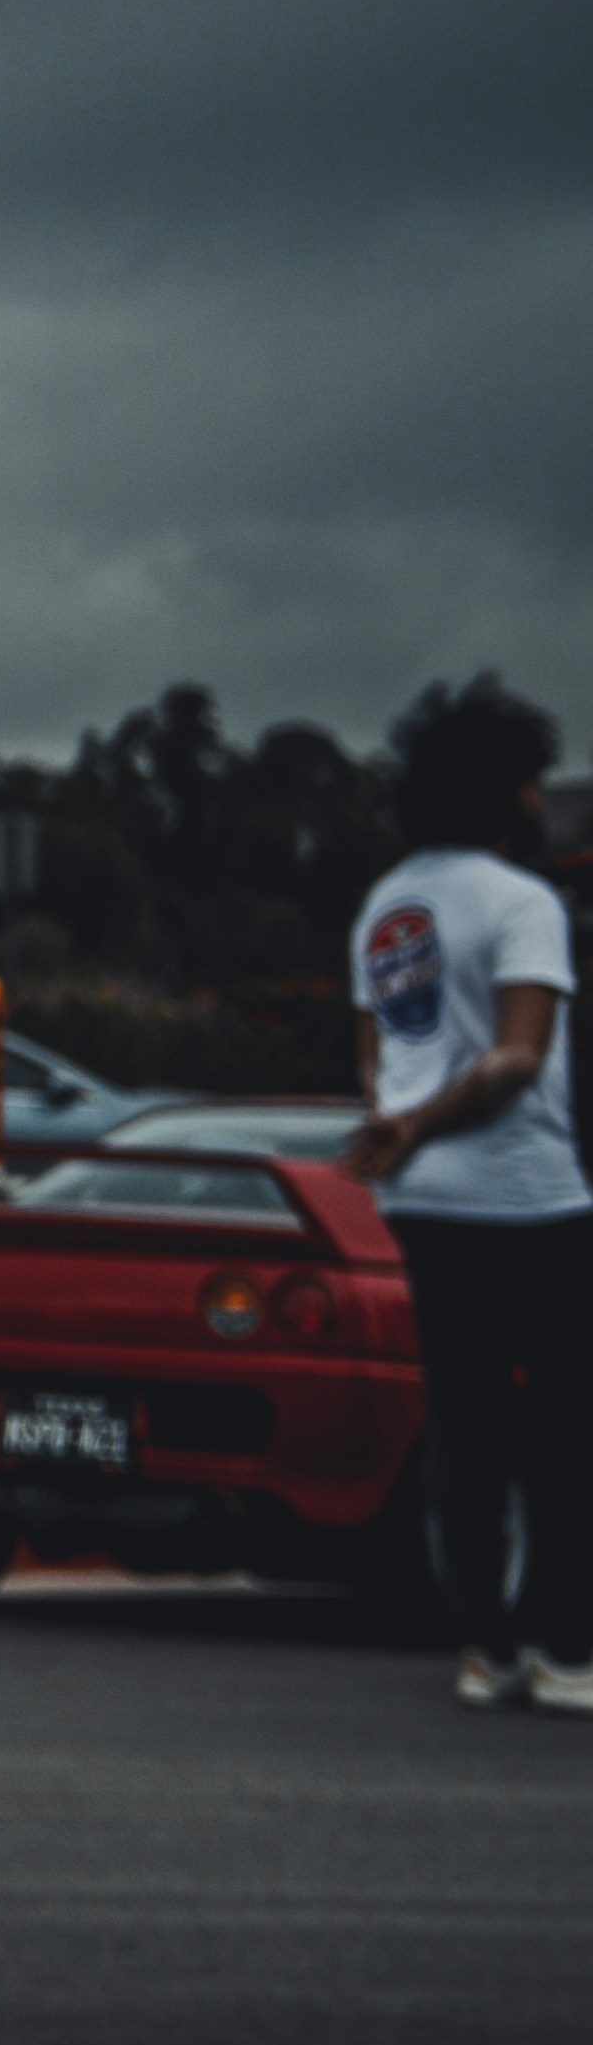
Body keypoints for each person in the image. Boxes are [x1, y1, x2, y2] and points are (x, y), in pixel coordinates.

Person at [345, 725, 588, 1714]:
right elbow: (514, 1061)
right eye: (530, 783)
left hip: (423, 1199)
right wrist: (427, 1120)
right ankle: (569, 1652)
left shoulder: (385, 904)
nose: (539, 800)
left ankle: (482, 1650)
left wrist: (398, 1132)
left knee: (467, 1421)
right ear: (503, 795)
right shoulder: (520, 902)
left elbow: (377, 1060)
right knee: (569, 1427)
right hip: (525, 1190)